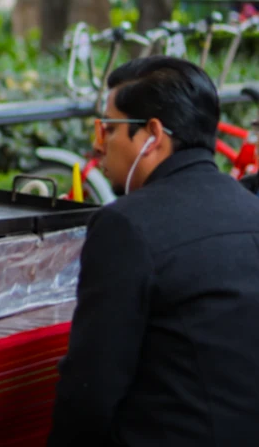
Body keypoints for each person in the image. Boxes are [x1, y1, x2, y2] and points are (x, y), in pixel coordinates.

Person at [49, 56, 259, 447]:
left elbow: (90, 391)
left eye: (109, 128)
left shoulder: (126, 226)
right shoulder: (251, 208)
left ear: (152, 135)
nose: (99, 145)